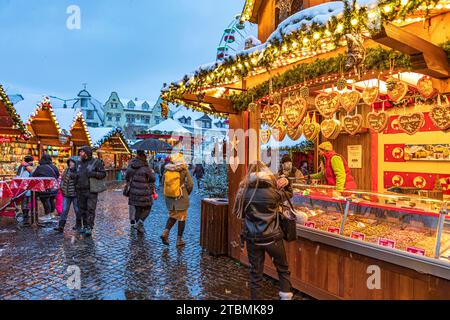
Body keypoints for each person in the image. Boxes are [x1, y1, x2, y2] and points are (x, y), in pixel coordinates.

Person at [233, 161, 294, 300]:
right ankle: (286, 296)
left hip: (253, 238)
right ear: (266, 174)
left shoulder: (243, 192)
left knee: (255, 273)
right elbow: (290, 194)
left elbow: (240, 214)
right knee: (283, 269)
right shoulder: (273, 192)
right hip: (273, 237)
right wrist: (287, 182)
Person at [160, 153, 193, 247]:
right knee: (182, 218)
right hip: (181, 198)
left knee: (173, 215)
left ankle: (165, 233)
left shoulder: (167, 170)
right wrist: (186, 193)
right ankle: (179, 240)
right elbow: (190, 184)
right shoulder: (184, 169)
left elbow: (163, 183)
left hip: (170, 198)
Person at [75, 146, 106, 237]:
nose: (80, 154)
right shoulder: (79, 163)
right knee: (82, 209)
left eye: (82, 152)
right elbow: (76, 173)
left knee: (90, 209)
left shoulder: (96, 162)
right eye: (80, 152)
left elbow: (103, 174)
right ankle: (84, 226)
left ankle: (89, 227)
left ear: (87, 153)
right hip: (80, 189)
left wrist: (94, 174)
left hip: (91, 190)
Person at [125, 150, 156, 233]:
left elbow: (127, 177)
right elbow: (153, 179)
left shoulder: (131, 165)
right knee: (148, 207)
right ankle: (140, 223)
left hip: (133, 192)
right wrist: (151, 172)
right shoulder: (146, 167)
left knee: (138, 209)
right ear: (143, 157)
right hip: (144, 192)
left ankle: (139, 227)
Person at [54, 158, 79, 233]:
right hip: (66, 194)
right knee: (64, 210)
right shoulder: (66, 170)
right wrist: (62, 188)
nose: (70, 164)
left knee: (77, 210)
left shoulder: (78, 171)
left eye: (72, 162)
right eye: (70, 162)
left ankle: (78, 225)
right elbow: (63, 180)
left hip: (75, 194)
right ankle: (61, 226)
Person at [32, 154, 60, 221]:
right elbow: (58, 175)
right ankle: (51, 214)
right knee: (51, 200)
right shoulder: (54, 166)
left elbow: (34, 175)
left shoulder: (40, 167)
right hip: (53, 187)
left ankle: (47, 215)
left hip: (44, 187)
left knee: (45, 200)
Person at [16, 156, 34, 224]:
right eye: (31, 161)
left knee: (26, 200)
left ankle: (26, 213)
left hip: (27, 186)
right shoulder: (23, 167)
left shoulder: (23, 166)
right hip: (25, 186)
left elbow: (18, 176)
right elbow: (18, 176)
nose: (32, 162)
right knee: (25, 200)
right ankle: (25, 213)